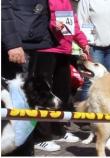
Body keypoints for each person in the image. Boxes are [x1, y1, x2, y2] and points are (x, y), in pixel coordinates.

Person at [32, 0, 90, 151]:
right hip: (47, 48)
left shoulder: (68, 3)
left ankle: (58, 129)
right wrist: (53, 24)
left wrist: (84, 43)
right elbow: (39, 17)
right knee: (43, 93)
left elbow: (74, 25)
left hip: (65, 51)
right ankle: (40, 137)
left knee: (63, 92)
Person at [1, 0, 57, 155]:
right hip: (16, 44)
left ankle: (24, 150)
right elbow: (3, 6)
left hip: (30, 41)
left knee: (24, 104)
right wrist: (12, 43)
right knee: (16, 105)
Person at [77, 0, 110, 101]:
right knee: (90, 82)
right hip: (94, 47)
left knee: (109, 83)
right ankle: (85, 114)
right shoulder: (85, 1)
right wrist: (84, 43)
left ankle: (104, 113)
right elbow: (80, 22)